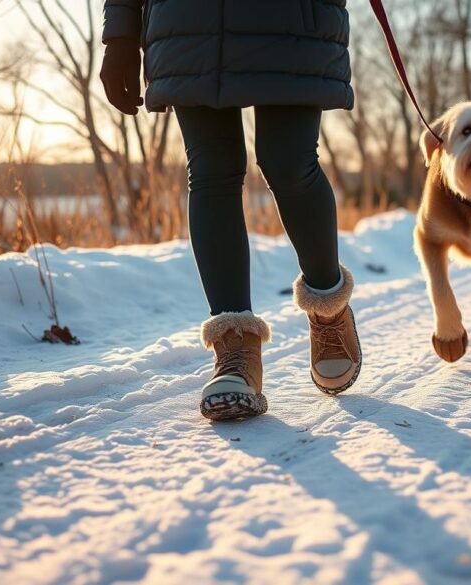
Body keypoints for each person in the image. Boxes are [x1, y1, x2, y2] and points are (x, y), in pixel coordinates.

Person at [100, 0, 362, 421]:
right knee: (212, 171)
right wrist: (120, 37)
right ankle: (236, 348)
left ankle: (329, 306)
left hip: (290, 21)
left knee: (289, 163)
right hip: (189, 20)